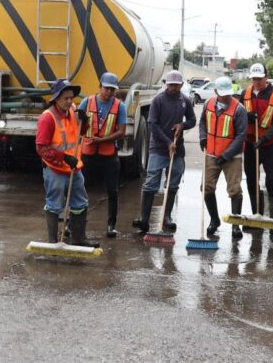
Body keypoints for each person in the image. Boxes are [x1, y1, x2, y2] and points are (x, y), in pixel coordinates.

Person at [35, 80, 98, 248]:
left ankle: (79, 238)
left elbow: (80, 133)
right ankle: (53, 242)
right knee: (54, 205)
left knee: (80, 202)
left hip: (73, 167)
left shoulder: (72, 111)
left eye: (71, 98)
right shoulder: (47, 118)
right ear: (56, 98)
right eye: (65, 98)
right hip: (55, 168)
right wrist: (63, 157)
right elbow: (41, 148)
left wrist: (84, 121)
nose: (70, 101)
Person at [132, 70, 196, 233]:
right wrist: (168, 142)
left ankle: (167, 217)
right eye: (171, 85)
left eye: (176, 85)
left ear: (181, 85)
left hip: (177, 149)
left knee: (173, 183)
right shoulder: (158, 100)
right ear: (166, 84)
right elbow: (153, 124)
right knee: (151, 183)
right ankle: (144, 219)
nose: (173, 88)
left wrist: (183, 126)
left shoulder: (185, 101)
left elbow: (192, 120)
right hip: (159, 149)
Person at [79, 72, 127, 238]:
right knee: (80, 188)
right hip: (88, 152)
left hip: (108, 153)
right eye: (106, 88)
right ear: (100, 87)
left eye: (112, 89)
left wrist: (101, 140)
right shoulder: (87, 102)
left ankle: (111, 225)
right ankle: (74, 223)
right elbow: (77, 124)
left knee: (112, 190)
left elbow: (121, 132)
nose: (108, 92)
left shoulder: (119, 106)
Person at [198, 76, 247, 238]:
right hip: (211, 153)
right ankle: (214, 220)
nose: (226, 97)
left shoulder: (238, 109)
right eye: (223, 94)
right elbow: (203, 123)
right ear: (216, 91)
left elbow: (241, 136)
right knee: (206, 187)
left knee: (234, 190)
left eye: (228, 94)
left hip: (232, 157)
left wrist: (226, 155)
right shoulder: (208, 104)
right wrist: (203, 137)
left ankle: (235, 225)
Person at [240, 63, 273, 239]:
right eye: (254, 78)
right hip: (250, 144)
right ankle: (257, 218)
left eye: (260, 78)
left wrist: (265, 139)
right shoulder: (246, 93)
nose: (256, 82)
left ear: (267, 76)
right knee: (252, 180)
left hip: (269, 144)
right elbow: (237, 113)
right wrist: (246, 116)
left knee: (272, 180)